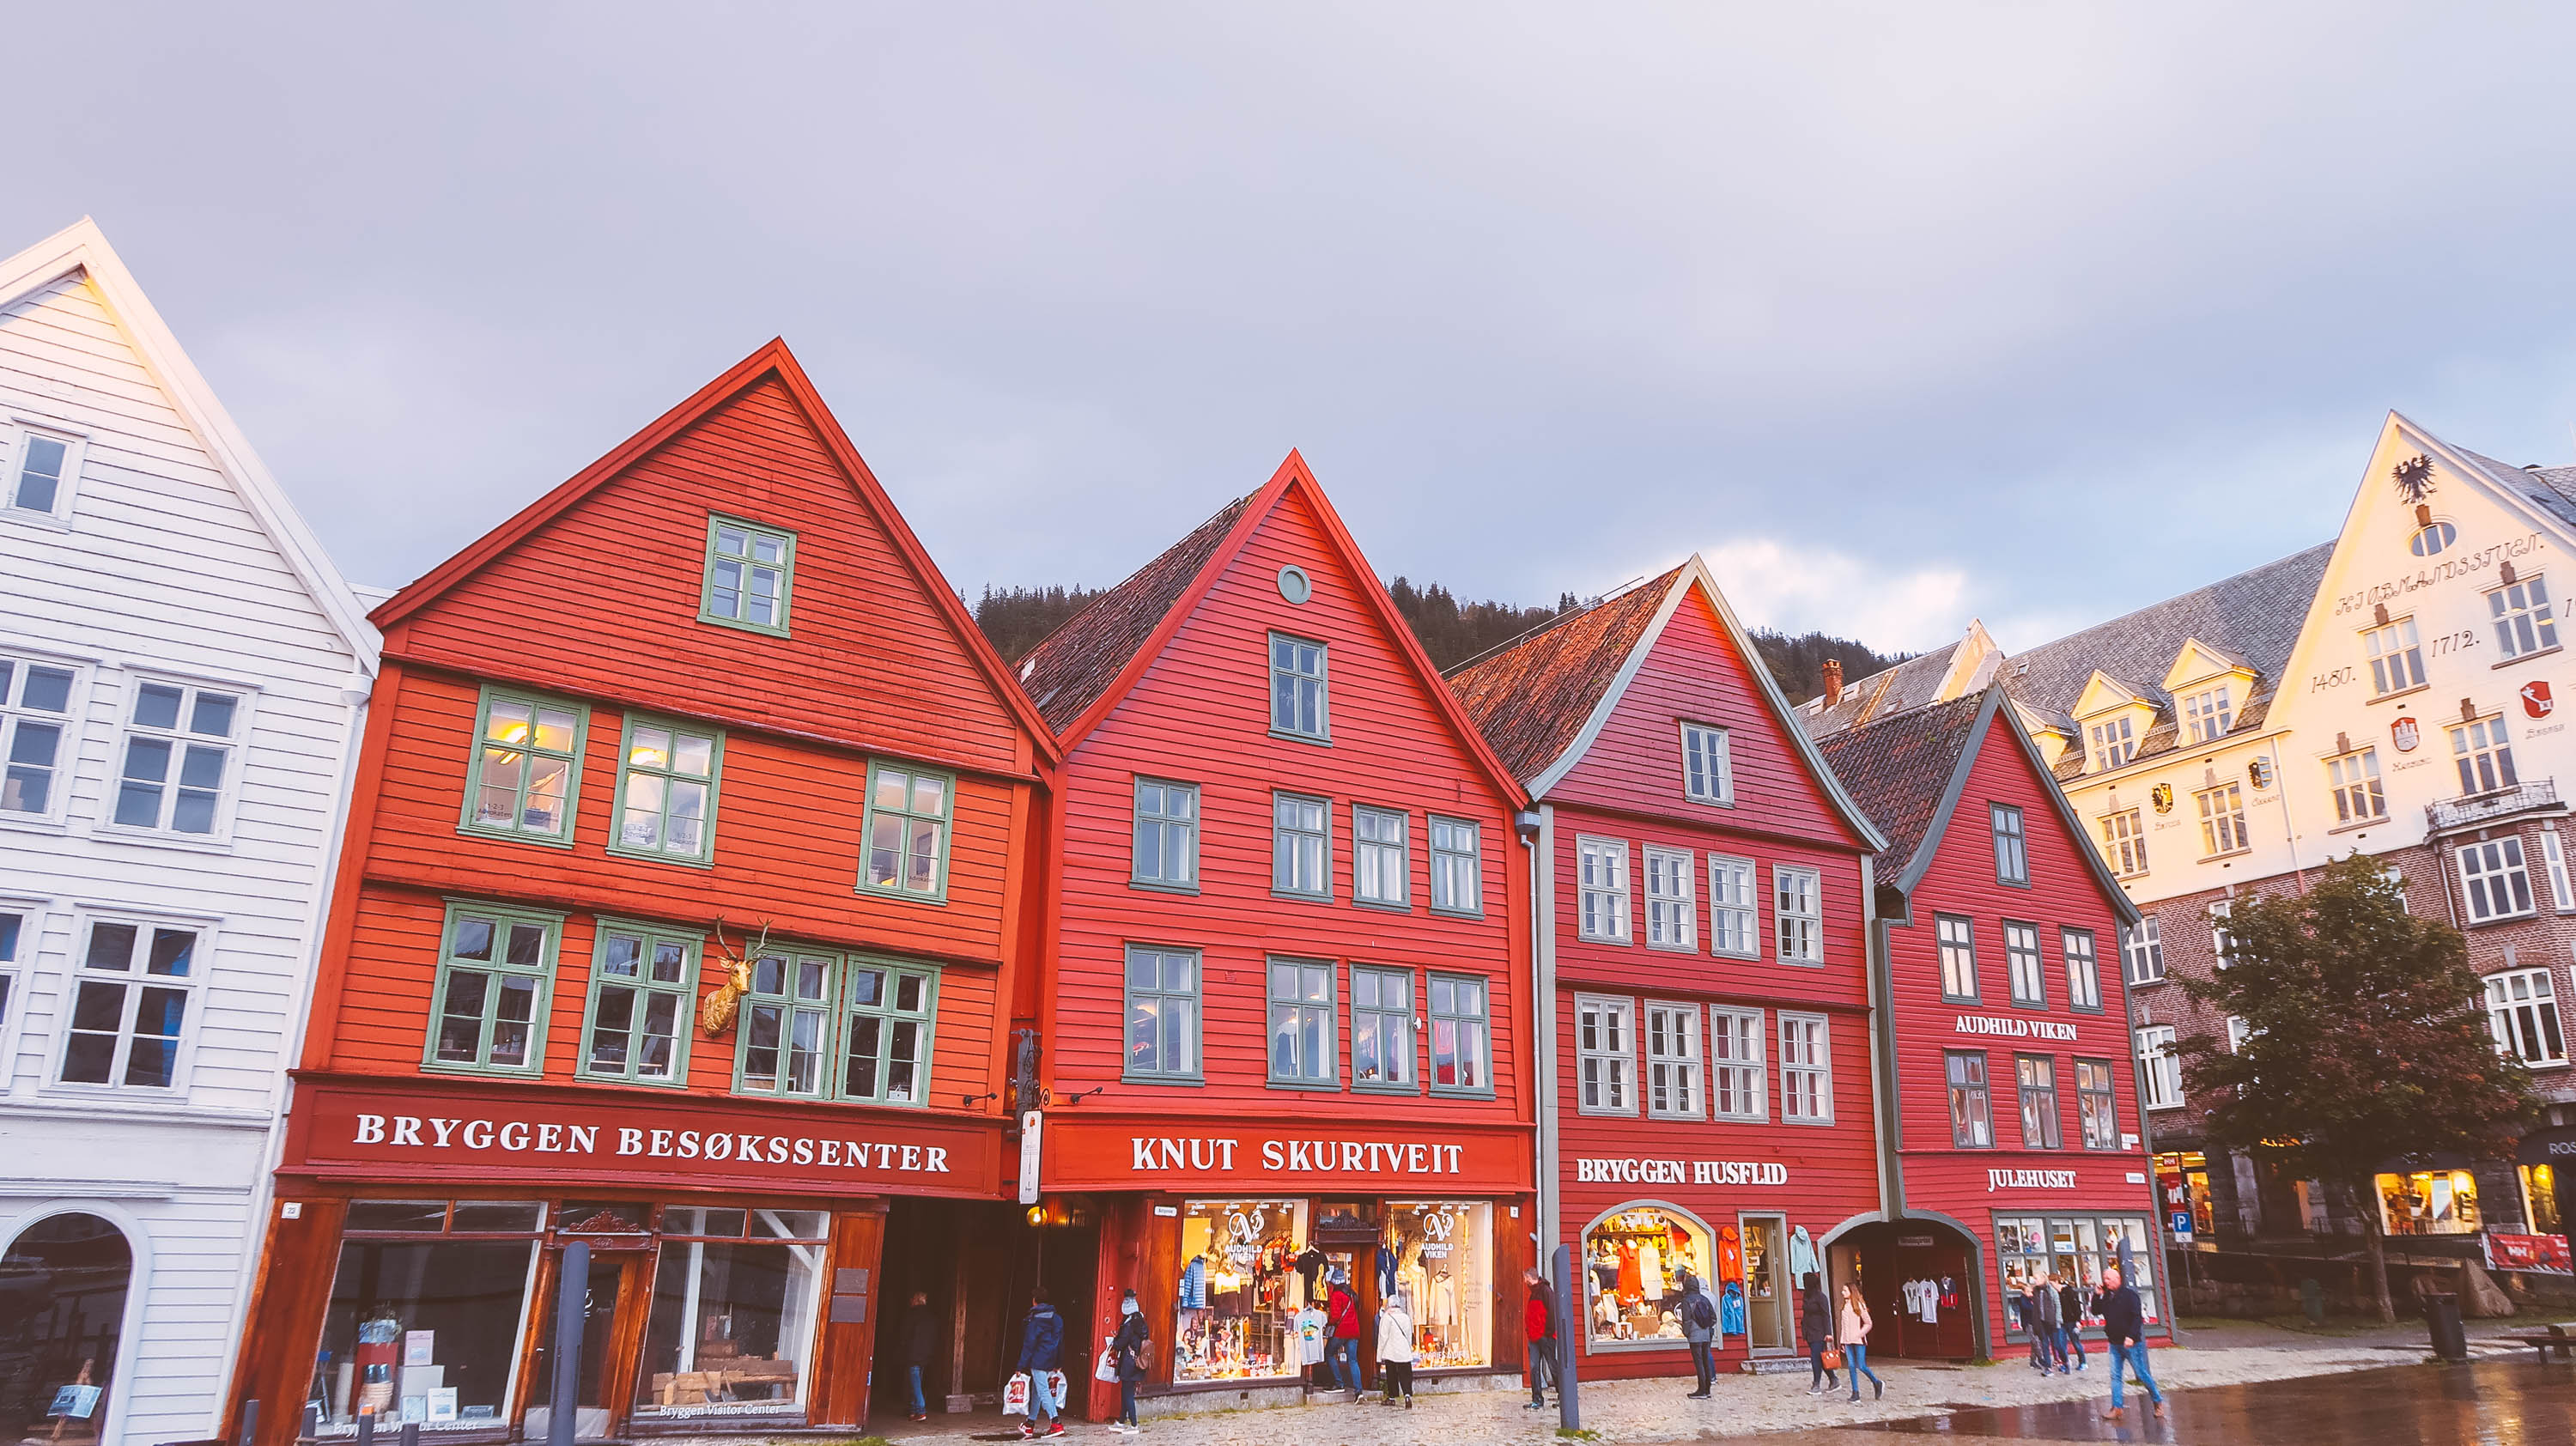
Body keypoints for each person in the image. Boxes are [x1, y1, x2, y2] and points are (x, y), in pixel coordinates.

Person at [2098, 1267, 2165, 1422]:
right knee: (2115, 1376)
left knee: (2141, 1374)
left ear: (2117, 1279)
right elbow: (2096, 1310)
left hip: (2130, 1343)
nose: (2106, 1282)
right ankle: (2117, 1407)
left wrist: (2131, 1336)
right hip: (2114, 1342)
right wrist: (2097, 1295)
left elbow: (2136, 1318)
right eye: (2104, 1279)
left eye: (2108, 1279)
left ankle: (2157, 1400)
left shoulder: (2130, 1296)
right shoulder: (2107, 1297)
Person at [1015, 1286, 1066, 1439]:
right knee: (1037, 1390)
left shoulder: (1034, 1320)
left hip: (1038, 1360)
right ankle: (1030, 1424)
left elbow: (1029, 1344)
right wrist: (1059, 1362)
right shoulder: (1057, 1319)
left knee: (1043, 1391)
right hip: (1051, 1358)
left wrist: (1020, 1365)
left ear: (1034, 1301)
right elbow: (1060, 1342)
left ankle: (1056, 1423)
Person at [1109, 1287, 1149, 1435]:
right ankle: (1121, 1422)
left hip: (1128, 1362)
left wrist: (1114, 1340)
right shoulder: (1141, 1321)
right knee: (1126, 1391)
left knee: (1127, 1394)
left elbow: (1120, 1344)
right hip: (1137, 1361)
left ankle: (1134, 1425)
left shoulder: (1128, 1324)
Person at [1838, 1281, 1882, 1402]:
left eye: (1845, 1290)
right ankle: (1855, 1392)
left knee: (1861, 1365)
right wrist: (1842, 1341)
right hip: (1848, 1341)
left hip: (1859, 1341)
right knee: (1851, 1366)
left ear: (1851, 1292)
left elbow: (1868, 1323)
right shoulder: (1844, 1307)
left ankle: (1876, 1382)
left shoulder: (1859, 1306)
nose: (1842, 1293)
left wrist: (1859, 1334)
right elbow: (1843, 1326)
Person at [1678, 1269, 1717, 1399]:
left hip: (1694, 1336)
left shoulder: (1686, 1301)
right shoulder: (1704, 1299)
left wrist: (1686, 1333)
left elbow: (1687, 1320)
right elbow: (1713, 1318)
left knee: (1699, 1362)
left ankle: (1701, 1390)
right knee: (1705, 1361)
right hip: (1705, 1334)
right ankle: (1707, 1389)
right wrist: (1706, 1327)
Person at [899, 1290, 937, 1423]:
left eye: (912, 1299)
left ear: (916, 1301)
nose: (910, 1301)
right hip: (926, 1354)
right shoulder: (931, 1317)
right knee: (917, 1381)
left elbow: (905, 1336)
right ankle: (914, 1410)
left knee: (915, 1383)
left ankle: (920, 1410)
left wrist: (902, 1349)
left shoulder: (911, 1316)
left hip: (913, 1354)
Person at [1325, 1268, 1363, 1400]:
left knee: (1329, 1353)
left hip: (1341, 1331)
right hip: (1354, 1331)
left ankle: (1339, 1383)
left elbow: (1335, 1316)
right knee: (1353, 1360)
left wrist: (1328, 1323)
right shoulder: (1351, 1294)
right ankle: (1359, 1391)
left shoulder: (1336, 1295)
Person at [1376, 1290, 1417, 1407]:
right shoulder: (1406, 1317)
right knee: (1406, 1374)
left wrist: (1379, 1356)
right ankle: (1407, 1396)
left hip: (1391, 1352)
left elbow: (1383, 1337)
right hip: (1404, 1352)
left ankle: (1392, 1397)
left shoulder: (1387, 1317)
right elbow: (1409, 1335)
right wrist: (1408, 1348)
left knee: (1392, 1375)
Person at [1800, 1272, 1838, 1396]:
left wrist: (1828, 1333)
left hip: (1819, 1332)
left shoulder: (1821, 1297)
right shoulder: (1807, 1296)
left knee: (1815, 1358)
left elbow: (1826, 1315)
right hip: (1809, 1331)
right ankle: (1834, 1380)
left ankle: (1816, 1384)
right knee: (1820, 1359)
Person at [1522, 1270, 1557, 1409]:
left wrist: (1548, 1333)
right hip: (1534, 1337)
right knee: (1534, 1368)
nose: (1525, 1281)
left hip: (1545, 1337)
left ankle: (1563, 1397)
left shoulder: (1546, 1291)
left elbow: (1552, 1313)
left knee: (1553, 1366)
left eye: (1525, 1278)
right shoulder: (1534, 1292)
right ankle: (1537, 1399)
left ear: (1530, 1278)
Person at [2031, 1269, 2064, 1374]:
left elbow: (2057, 1305)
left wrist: (2058, 1320)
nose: (2035, 1281)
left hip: (2052, 1321)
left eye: (2036, 1279)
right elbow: (2036, 1308)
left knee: (2057, 1344)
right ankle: (2048, 1367)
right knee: (2044, 1344)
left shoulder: (2051, 1290)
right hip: (2041, 1322)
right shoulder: (2035, 1291)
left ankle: (2064, 1361)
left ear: (2043, 1279)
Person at [2057, 1276, 2087, 1372]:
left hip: (2071, 1321)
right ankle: (2065, 1363)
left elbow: (2076, 1306)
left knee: (2076, 1342)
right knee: (2061, 1344)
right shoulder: (2055, 1293)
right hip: (2061, 1322)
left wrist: (2078, 1320)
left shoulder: (2068, 1292)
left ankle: (2083, 1362)